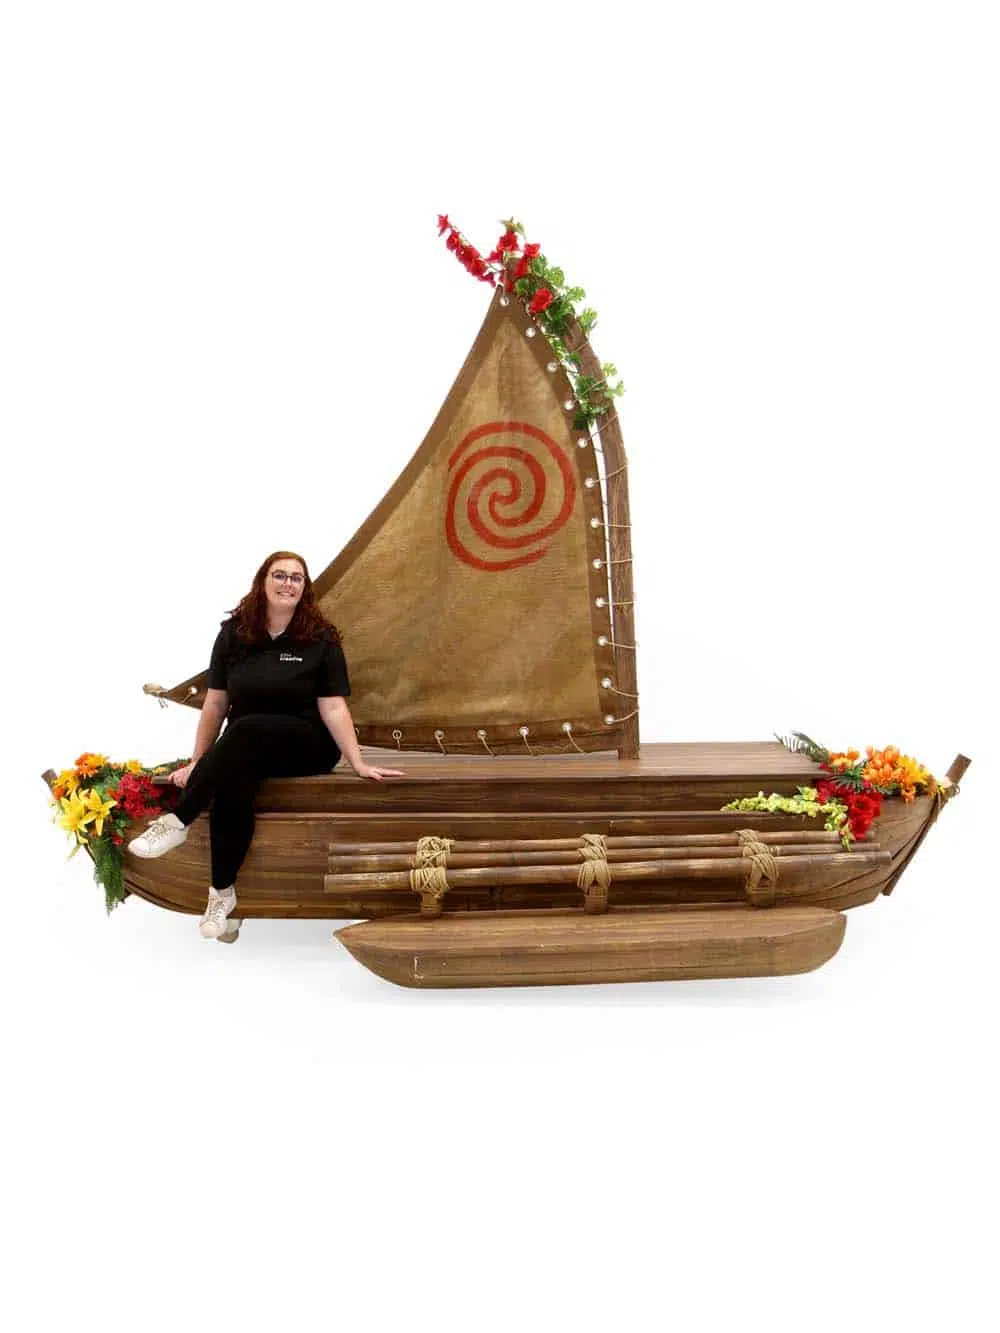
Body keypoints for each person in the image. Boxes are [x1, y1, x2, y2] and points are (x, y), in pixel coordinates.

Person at [128, 550, 403, 938]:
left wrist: (356, 761)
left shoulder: (321, 638)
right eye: (280, 575)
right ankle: (222, 896)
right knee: (232, 785)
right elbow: (216, 704)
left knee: (246, 728)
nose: (288, 583)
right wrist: (199, 761)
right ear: (263, 581)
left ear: (304, 588)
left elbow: (333, 706)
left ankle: (178, 821)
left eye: (296, 577)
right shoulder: (234, 635)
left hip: (308, 745)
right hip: (246, 746)